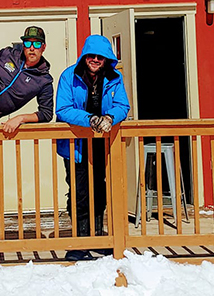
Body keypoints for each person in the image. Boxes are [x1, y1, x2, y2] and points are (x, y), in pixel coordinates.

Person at [55, 35, 130, 261]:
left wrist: (109, 116)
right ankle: (81, 241)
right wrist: (91, 120)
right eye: (91, 55)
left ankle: (98, 237)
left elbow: (122, 106)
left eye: (100, 56)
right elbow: (63, 109)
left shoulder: (115, 78)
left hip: (101, 144)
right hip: (75, 146)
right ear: (84, 56)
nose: (95, 60)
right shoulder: (69, 76)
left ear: (107, 59)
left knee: (99, 189)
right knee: (79, 192)